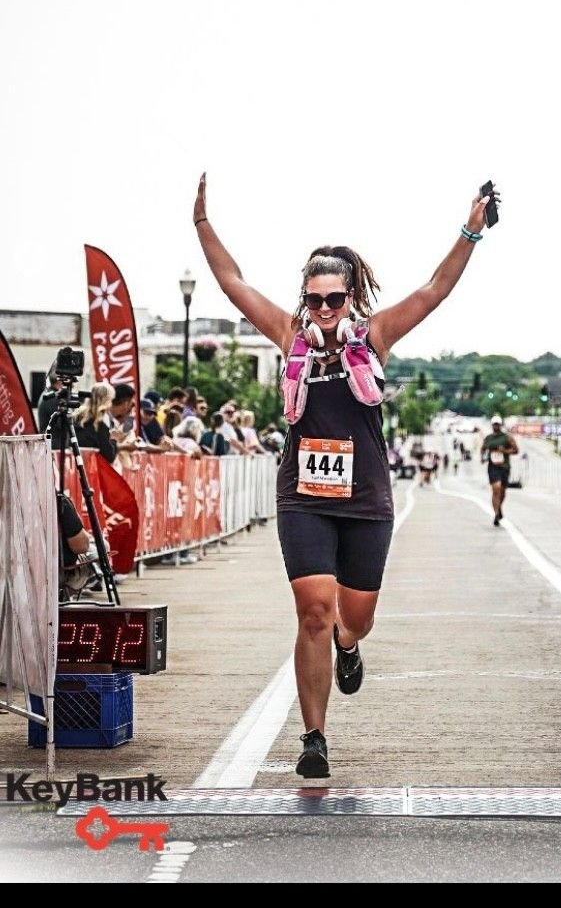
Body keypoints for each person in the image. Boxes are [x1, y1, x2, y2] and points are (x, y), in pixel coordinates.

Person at [192, 170, 497, 779]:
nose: (324, 310)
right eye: (315, 300)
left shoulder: (376, 336)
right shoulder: (288, 336)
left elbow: (435, 288)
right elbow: (232, 283)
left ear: (351, 297)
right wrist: (202, 222)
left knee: (353, 618)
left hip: (364, 498)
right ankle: (313, 738)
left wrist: (471, 230)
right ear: (304, 300)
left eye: (335, 299)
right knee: (313, 610)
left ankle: (349, 647)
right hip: (303, 494)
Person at [480, 414, 519, 526]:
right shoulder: (488, 438)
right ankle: (496, 513)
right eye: (494, 424)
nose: (496, 426)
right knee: (495, 489)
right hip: (493, 467)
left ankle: (499, 508)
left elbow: (516, 450)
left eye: (498, 424)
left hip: (504, 467)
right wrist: (482, 458)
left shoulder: (507, 437)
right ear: (492, 425)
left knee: (502, 491)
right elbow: (482, 448)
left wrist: (505, 451)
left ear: (500, 425)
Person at [71, 382, 118, 464]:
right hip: (92, 468)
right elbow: (109, 456)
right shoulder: (101, 420)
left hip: (75, 464)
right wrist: (113, 439)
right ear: (106, 400)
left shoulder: (77, 415)